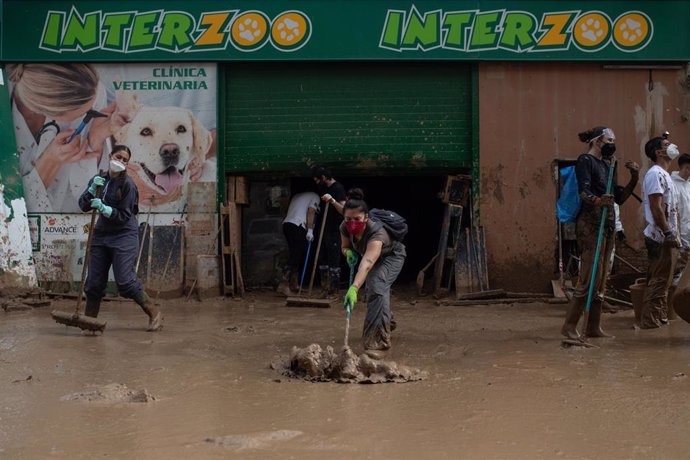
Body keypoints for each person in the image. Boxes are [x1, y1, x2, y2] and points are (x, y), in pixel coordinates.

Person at [561, 126, 639, 339]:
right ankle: (569, 326)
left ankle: (593, 327)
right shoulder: (585, 161)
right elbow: (584, 191)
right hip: (590, 225)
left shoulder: (608, 165)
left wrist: (634, 177)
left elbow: (618, 198)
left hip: (608, 225)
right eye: (609, 140)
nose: (612, 144)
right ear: (597, 141)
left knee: (602, 277)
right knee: (588, 276)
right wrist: (597, 200)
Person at [7, 63, 116, 212]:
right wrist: (51, 159)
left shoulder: (91, 90)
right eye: (82, 114)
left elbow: (88, 198)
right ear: (47, 112)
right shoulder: (5, 114)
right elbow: (10, 211)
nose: (91, 112)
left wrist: (95, 140)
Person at [78, 145, 163, 332]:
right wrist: (91, 190)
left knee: (125, 282)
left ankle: (154, 312)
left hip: (124, 234)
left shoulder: (128, 185)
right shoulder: (99, 179)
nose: (121, 161)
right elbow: (83, 205)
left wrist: (105, 209)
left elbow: (125, 216)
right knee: (93, 283)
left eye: (125, 159)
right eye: (118, 157)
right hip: (101, 235)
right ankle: (90, 322)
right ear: (110, 156)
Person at [340, 190, 406, 359]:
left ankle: (378, 341)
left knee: (377, 286)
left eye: (357, 219)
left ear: (366, 217)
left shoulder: (377, 234)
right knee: (375, 292)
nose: (352, 223)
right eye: (348, 219)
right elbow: (345, 246)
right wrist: (348, 253)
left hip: (391, 257)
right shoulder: (344, 227)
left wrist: (354, 288)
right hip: (370, 259)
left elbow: (367, 263)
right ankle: (386, 321)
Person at [639, 134, 680, 328]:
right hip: (660, 236)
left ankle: (658, 319)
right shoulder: (655, 173)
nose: (671, 146)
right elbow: (656, 207)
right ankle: (650, 323)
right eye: (666, 145)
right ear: (658, 152)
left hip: (665, 236)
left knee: (662, 282)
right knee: (658, 282)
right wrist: (667, 232)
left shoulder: (664, 174)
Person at [311, 166, 347, 296]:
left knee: (334, 258)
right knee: (322, 259)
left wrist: (332, 201)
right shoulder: (322, 188)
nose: (316, 182)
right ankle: (324, 288)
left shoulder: (338, 188)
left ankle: (334, 290)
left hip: (334, 229)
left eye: (317, 179)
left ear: (324, 178)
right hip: (322, 228)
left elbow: (344, 210)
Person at [282, 190, 320, 292]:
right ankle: (283, 284)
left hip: (287, 224)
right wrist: (310, 230)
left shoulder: (297, 195)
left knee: (295, 254)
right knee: (296, 255)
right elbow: (311, 211)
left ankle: (294, 284)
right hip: (298, 225)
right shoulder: (315, 196)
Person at [671, 153, 690, 284]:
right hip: (679, 238)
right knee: (676, 272)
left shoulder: (689, 185)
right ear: (687, 167)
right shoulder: (672, 185)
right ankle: (672, 302)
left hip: (689, 235)